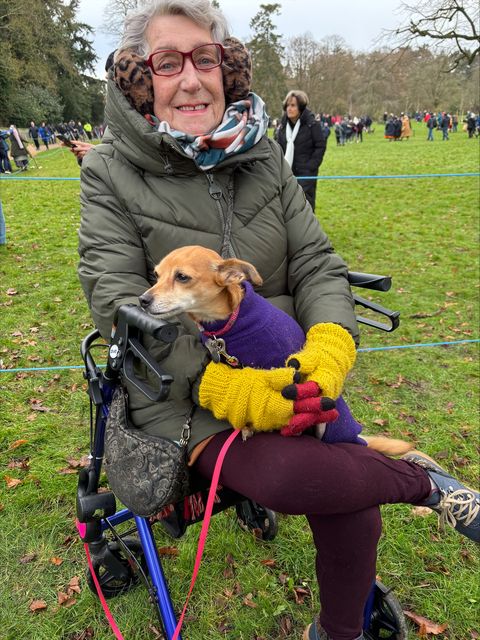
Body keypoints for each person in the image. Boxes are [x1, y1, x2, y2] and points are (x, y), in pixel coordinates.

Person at [77, 2, 480, 639]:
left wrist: (329, 341)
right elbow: (114, 294)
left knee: (348, 499)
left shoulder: (264, 157)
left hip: (289, 363)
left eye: (205, 58)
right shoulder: (108, 170)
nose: (190, 78)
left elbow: (318, 262)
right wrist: (219, 385)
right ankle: (423, 483)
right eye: (167, 62)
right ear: (139, 78)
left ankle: (339, 631)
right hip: (184, 395)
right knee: (297, 476)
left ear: (226, 70)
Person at [275, 89, 327, 212]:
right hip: (286, 173)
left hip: (306, 173)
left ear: (301, 107)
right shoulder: (282, 126)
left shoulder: (312, 124)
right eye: (287, 105)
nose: (289, 108)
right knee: (286, 205)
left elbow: (320, 146)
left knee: (304, 205)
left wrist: (311, 166)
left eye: (293, 105)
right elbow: (277, 147)